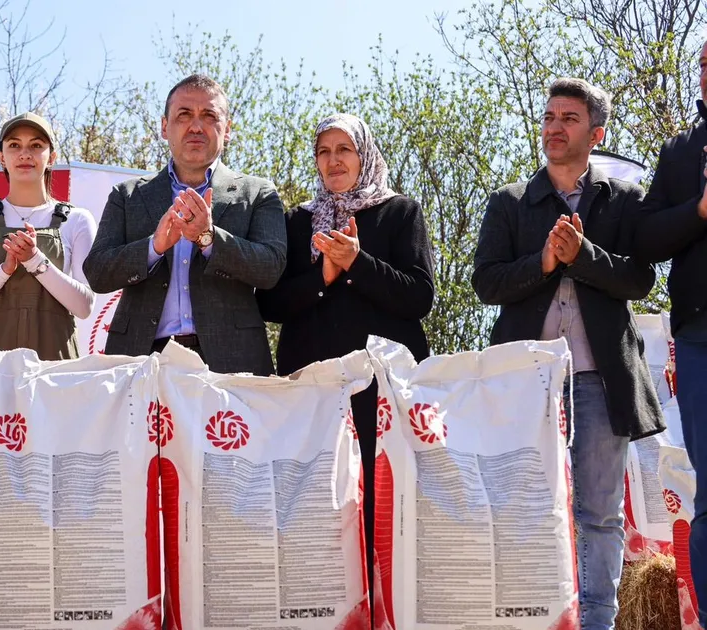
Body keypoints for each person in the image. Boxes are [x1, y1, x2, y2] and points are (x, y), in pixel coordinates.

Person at [472, 78, 663, 630]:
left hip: (603, 381)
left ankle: (598, 621)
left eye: (569, 119)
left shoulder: (624, 200)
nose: (554, 127)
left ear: (596, 133)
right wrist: (546, 264)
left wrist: (582, 255)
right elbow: (486, 282)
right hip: (524, 387)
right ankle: (532, 616)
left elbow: (639, 279)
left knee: (599, 514)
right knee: (524, 506)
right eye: (549, 117)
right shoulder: (510, 202)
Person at [256, 111, 434, 601]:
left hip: (380, 391)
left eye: (344, 150)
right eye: (323, 152)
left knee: (382, 501)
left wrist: (356, 262)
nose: (333, 162)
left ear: (364, 154)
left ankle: (388, 605)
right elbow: (269, 304)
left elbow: (419, 296)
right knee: (316, 504)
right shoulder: (297, 222)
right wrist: (323, 279)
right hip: (313, 389)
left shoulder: (399, 213)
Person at [82, 74, 286, 374]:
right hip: (139, 362)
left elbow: (271, 268)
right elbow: (97, 273)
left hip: (232, 364)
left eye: (209, 116)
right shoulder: (127, 195)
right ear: (165, 127)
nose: (195, 126)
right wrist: (153, 247)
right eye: (184, 115)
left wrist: (209, 238)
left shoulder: (257, 193)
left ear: (227, 129)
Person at [634, 39, 707, 619]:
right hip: (701, 334)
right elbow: (646, 239)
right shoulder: (681, 152)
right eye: (705, 65)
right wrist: (699, 212)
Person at [0, 112, 96, 359]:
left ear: (52, 158)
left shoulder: (77, 220)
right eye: (14, 145)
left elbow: (84, 306)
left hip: (55, 373)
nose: (25, 154)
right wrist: (3, 271)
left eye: (36, 145)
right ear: (2, 158)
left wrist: (35, 261)